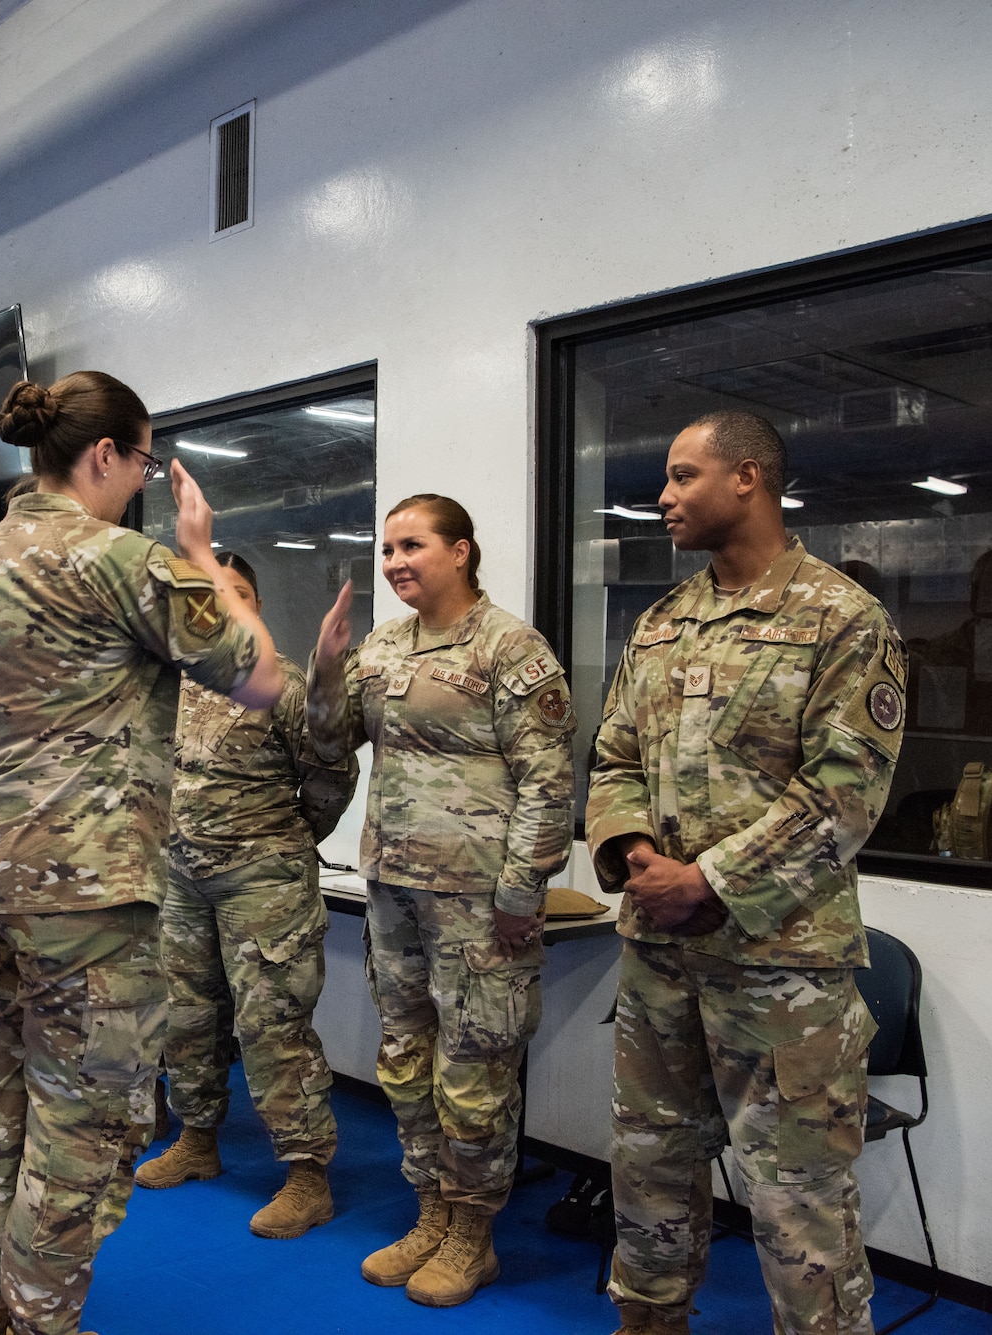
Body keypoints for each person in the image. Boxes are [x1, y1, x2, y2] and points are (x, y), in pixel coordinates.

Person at [0, 371, 284, 1335]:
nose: (140, 477)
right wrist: (202, 553)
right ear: (103, 457)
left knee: (0, 1096)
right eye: (139, 459)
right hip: (83, 893)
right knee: (85, 1123)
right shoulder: (123, 559)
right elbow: (258, 677)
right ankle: (43, 1320)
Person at [587, 410, 907, 1335]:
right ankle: (648, 1322)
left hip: (782, 971)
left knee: (796, 1200)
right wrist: (636, 855)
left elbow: (845, 794)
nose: (664, 496)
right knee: (647, 1165)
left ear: (749, 480)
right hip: (659, 957)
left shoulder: (841, 618)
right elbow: (612, 759)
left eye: (684, 475)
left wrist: (710, 879)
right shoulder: (660, 625)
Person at [307, 494, 575, 1308]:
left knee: (475, 1069)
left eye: (412, 545)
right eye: (387, 548)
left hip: (478, 901)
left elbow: (550, 779)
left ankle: (474, 1234)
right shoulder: (386, 645)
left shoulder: (511, 648)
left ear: (461, 550)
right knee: (406, 1060)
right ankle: (431, 1209)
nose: (394, 562)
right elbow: (329, 739)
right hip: (393, 888)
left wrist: (521, 891)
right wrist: (324, 668)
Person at [135, 552, 358, 1238]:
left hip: (263, 881)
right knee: (186, 1017)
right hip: (182, 877)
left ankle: (306, 1174)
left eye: (236, 595)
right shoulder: (171, 686)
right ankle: (198, 1141)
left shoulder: (284, 684)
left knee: (271, 1028)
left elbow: (331, 776)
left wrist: (284, 840)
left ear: (256, 604)